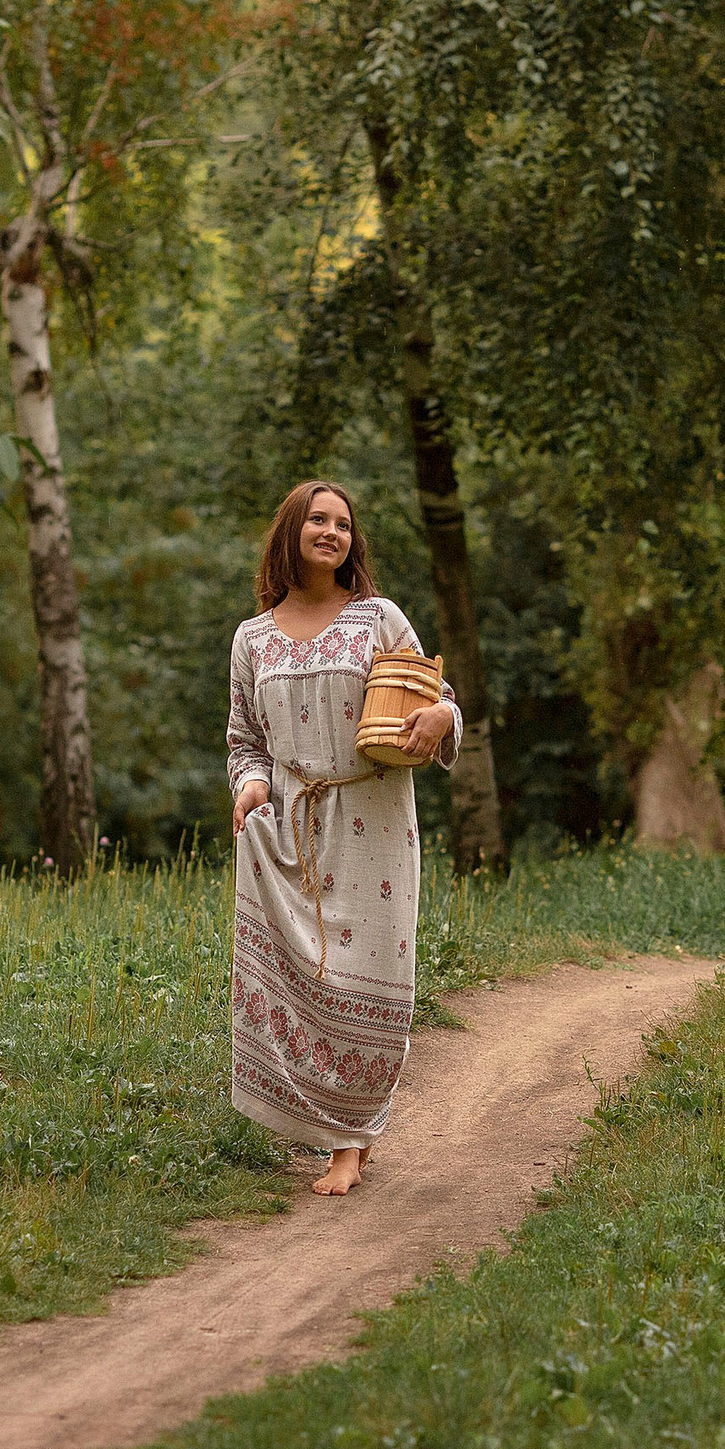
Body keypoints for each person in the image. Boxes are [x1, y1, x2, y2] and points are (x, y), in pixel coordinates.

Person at [227, 480, 461, 1196]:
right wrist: (252, 786)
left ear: (353, 542)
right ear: (291, 530)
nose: (331, 532)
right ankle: (320, 1122)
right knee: (306, 980)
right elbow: (244, 741)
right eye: (318, 520)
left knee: (367, 977)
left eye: (343, 524)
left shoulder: (377, 619)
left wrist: (439, 721)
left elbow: (439, 697)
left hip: (374, 819)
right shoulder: (252, 637)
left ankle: (350, 1141)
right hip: (293, 821)